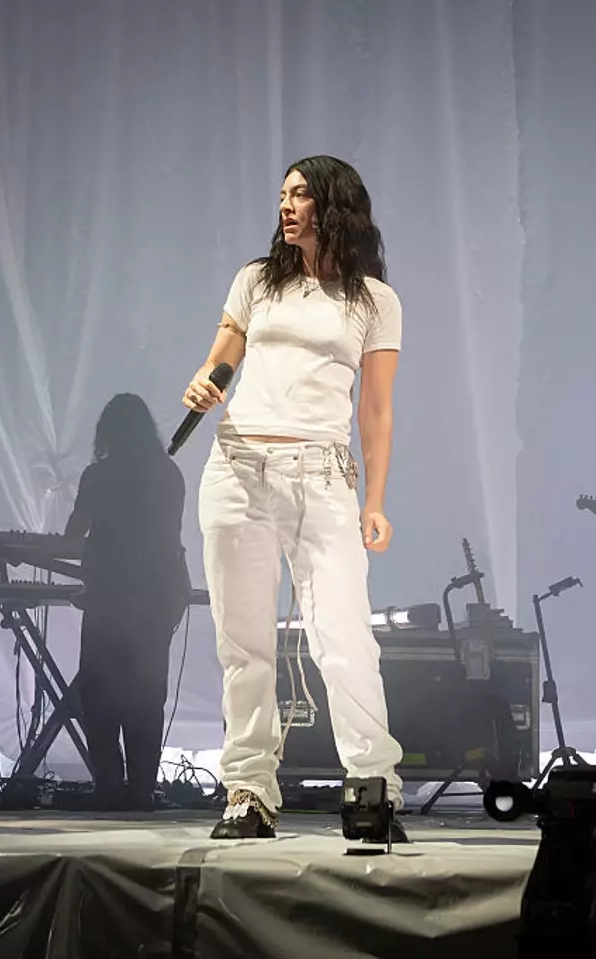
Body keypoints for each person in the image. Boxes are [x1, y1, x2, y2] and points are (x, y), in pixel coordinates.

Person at [182, 155, 407, 840]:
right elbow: (223, 352)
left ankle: (372, 783)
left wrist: (376, 500)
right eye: (282, 195)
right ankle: (248, 791)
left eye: (301, 195)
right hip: (238, 462)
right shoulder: (257, 281)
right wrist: (205, 380)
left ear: (333, 206)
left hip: (320, 472)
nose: (287, 206)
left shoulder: (372, 301)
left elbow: (376, 410)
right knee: (242, 641)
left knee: (342, 636)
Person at [64, 394, 188, 811]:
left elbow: (72, 534)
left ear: (107, 434)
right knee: (147, 699)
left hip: (107, 601)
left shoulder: (98, 476)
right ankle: (140, 791)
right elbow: (171, 537)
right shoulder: (169, 474)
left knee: (99, 699)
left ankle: (108, 789)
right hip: (156, 602)